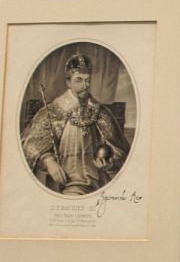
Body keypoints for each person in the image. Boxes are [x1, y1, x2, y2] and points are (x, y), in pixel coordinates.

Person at [20, 51, 130, 196]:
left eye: (87, 80)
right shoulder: (52, 111)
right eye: (78, 80)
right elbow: (30, 144)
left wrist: (110, 162)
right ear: (68, 83)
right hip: (66, 184)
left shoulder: (101, 112)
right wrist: (48, 161)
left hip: (101, 181)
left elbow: (121, 150)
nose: (85, 85)